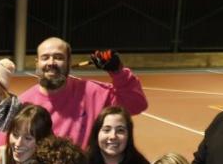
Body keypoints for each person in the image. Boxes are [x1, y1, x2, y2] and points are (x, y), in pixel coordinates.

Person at [18, 38, 147, 147]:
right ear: (37, 63)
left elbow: (136, 104)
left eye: (58, 57)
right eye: (45, 57)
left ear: (69, 62)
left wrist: (118, 72)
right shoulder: (23, 103)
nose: (51, 63)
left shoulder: (92, 92)